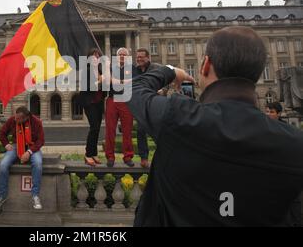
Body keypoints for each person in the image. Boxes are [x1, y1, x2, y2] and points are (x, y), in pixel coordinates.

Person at [129, 26, 303, 226]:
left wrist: (168, 71)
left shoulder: (178, 117)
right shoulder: (295, 145)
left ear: (204, 65)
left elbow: (134, 89)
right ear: (257, 72)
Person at [0, 106, 45, 210]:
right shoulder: (12, 120)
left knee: (38, 163)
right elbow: (2, 133)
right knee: (3, 164)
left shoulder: (37, 122)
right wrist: (6, 144)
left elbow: (40, 141)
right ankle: (1, 196)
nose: (15, 120)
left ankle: (35, 195)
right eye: (15, 117)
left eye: (18, 118)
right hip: (16, 145)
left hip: (32, 146)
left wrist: (29, 152)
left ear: (26, 117)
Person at [264, 101, 302, 227]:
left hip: (286, 171)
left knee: (292, 202)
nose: (268, 114)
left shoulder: (286, 130)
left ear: (279, 113)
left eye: (272, 112)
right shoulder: (264, 129)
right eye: (267, 111)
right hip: (271, 173)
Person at [133, 48, 164, 168]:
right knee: (141, 130)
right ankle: (144, 158)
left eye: (141, 57)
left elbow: (167, 78)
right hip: (143, 103)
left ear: (148, 57)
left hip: (155, 102)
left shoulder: (156, 67)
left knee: (159, 130)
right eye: (138, 57)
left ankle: (163, 157)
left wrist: (163, 90)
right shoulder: (135, 70)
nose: (139, 59)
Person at [104, 47, 135, 167]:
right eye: (120, 54)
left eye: (124, 54)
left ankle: (128, 157)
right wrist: (124, 81)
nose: (122, 56)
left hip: (126, 100)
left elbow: (134, 81)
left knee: (127, 130)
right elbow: (109, 80)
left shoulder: (132, 68)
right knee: (110, 130)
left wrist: (118, 81)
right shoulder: (111, 67)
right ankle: (110, 157)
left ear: (127, 57)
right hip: (112, 99)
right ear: (117, 57)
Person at [79, 48, 107, 166]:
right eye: (93, 55)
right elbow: (88, 86)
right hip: (90, 103)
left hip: (99, 103)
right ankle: (88, 154)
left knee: (97, 129)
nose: (95, 57)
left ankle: (94, 153)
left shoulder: (101, 70)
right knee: (94, 127)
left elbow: (103, 87)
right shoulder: (86, 70)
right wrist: (100, 82)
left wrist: (105, 81)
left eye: (97, 55)